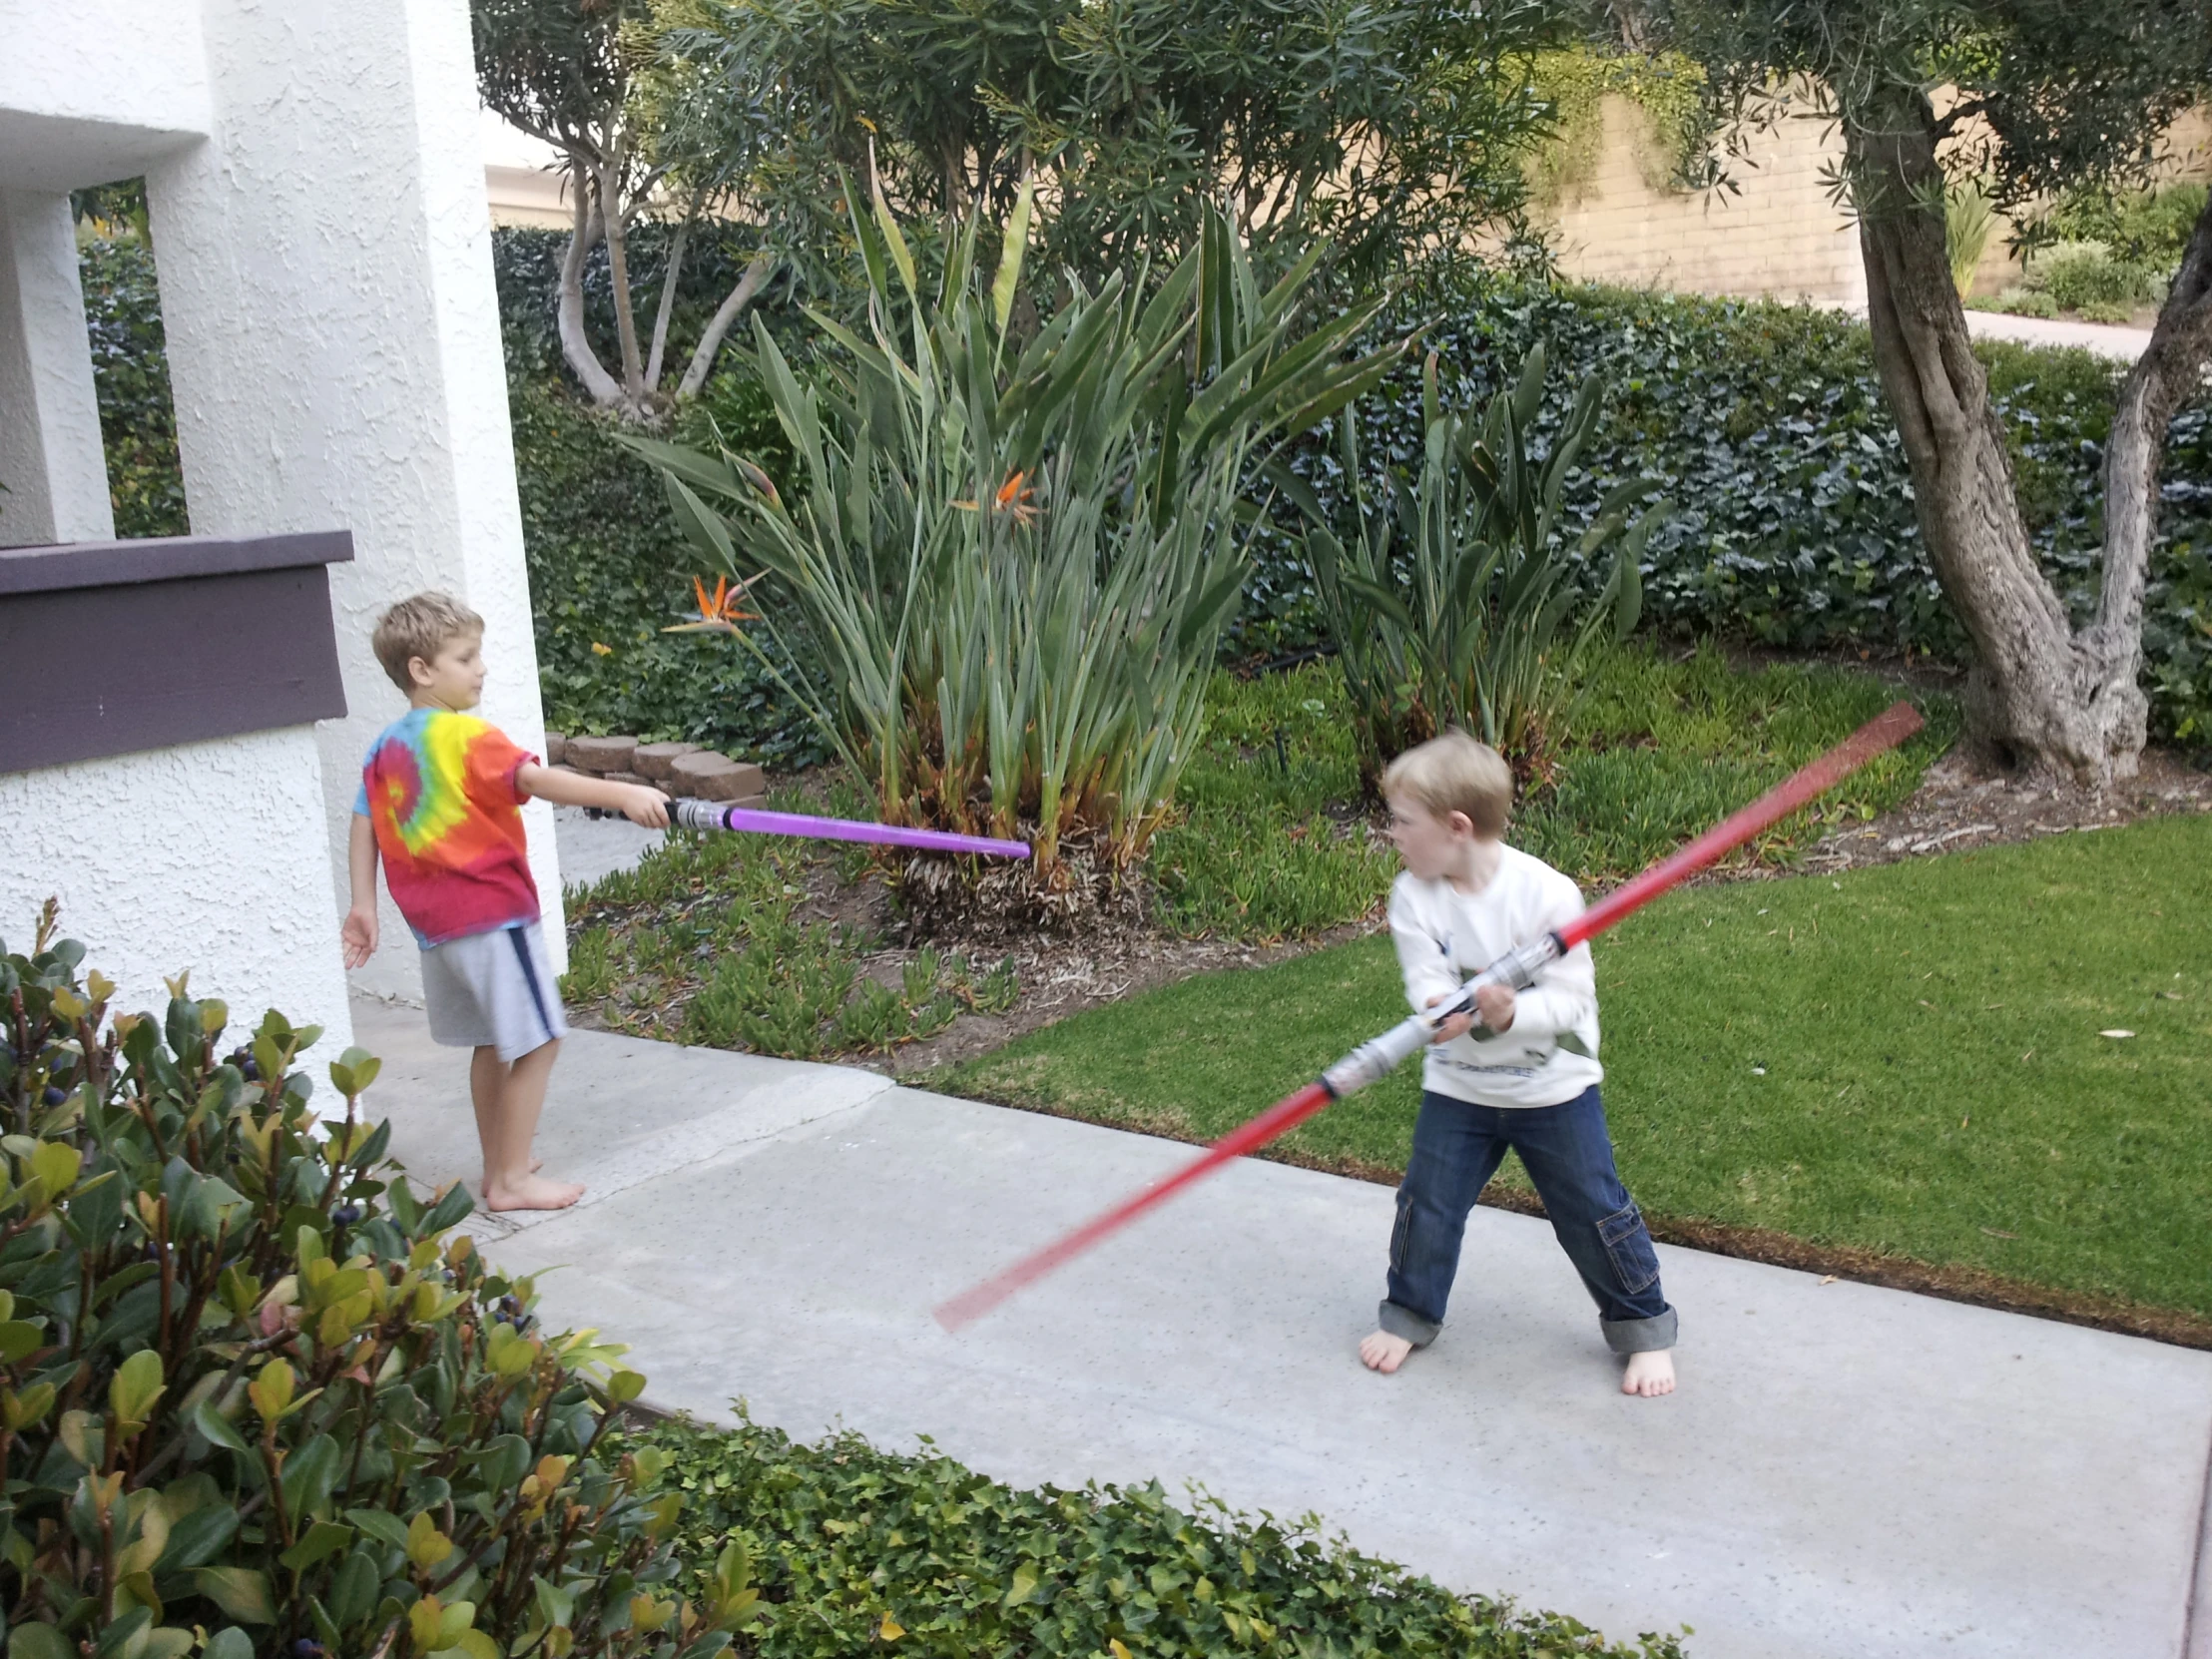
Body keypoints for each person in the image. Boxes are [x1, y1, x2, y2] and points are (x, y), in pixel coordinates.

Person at [1359, 730, 1678, 1396]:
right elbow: (1425, 977)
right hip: (1460, 1089)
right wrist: (1439, 1004)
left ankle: (1642, 1325)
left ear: (1456, 828)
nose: (1392, 834)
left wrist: (1509, 1015)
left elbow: (1569, 1002)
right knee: (1428, 1203)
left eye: (1402, 822)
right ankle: (1410, 1312)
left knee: (1592, 1211)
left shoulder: (1546, 895)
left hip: (1553, 1090)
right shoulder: (1413, 896)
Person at [339, 592, 669, 1212]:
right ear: (421, 670)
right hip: (490, 915)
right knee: (540, 1039)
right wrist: (621, 795)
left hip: (436, 929)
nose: (481, 668)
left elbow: (363, 823)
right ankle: (512, 1180)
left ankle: (501, 1162)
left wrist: (364, 904)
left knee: (492, 1040)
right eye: (466, 657)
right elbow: (534, 780)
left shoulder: (385, 748)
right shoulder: (467, 737)